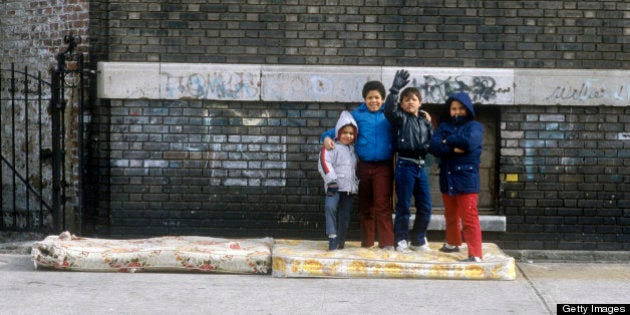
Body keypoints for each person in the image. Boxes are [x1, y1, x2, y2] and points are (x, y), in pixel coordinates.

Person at [321, 81, 395, 249]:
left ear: (383, 99)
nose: (373, 101)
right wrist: (326, 137)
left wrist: (423, 115)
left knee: (383, 204)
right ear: (364, 99)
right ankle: (367, 242)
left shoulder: (389, 114)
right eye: (370, 97)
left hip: (383, 167)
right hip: (362, 166)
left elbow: (406, 118)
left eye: (377, 97)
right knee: (366, 205)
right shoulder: (358, 115)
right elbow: (338, 129)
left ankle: (387, 242)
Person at [429, 92, 484, 262]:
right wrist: (452, 147)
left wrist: (447, 141)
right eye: (454, 109)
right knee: (450, 214)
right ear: (449, 110)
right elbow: (433, 146)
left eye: (461, 108)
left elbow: (469, 143)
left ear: (467, 109)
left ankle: (475, 254)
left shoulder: (475, 127)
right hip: (448, 176)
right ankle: (453, 243)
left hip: (466, 178)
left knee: (469, 216)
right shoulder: (444, 126)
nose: (457, 112)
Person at [384, 69, 434, 253]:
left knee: (426, 205)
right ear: (402, 104)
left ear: (420, 103)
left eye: (414, 99)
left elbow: (432, 141)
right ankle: (401, 240)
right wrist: (395, 90)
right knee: (403, 205)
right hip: (405, 165)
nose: (410, 102)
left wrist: (430, 128)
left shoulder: (424, 121)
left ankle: (419, 240)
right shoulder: (400, 118)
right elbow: (389, 110)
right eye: (407, 99)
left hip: (421, 167)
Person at [318, 111, 359, 250]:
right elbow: (324, 163)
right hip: (333, 187)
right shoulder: (331, 146)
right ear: (338, 132)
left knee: (345, 215)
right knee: (330, 208)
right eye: (345, 132)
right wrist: (331, 180)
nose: (348, 136)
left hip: (348, 190)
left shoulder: (353, 150)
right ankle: (332, 236)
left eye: (351, 133)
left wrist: (355, 184)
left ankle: (341, 241)